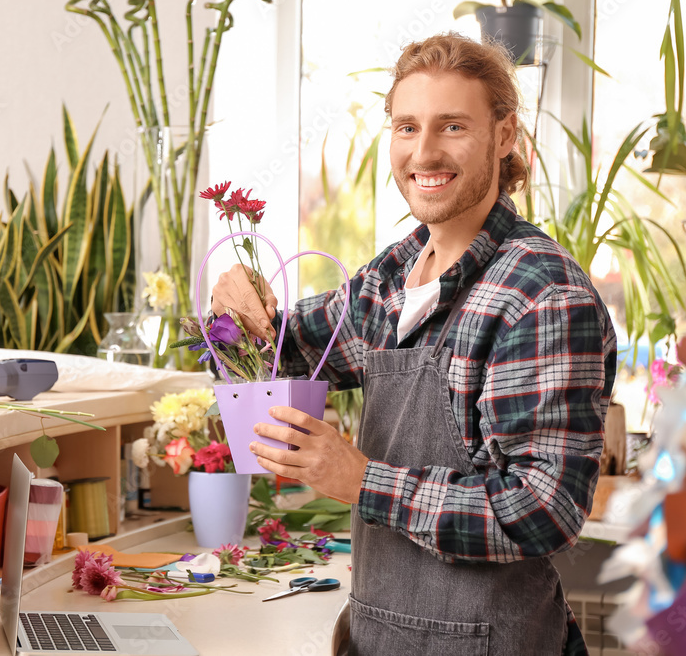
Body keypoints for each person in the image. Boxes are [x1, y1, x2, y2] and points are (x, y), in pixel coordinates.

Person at [211, 33, 617, 655]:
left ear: (504, 135)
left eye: (452, 126)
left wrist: (361, 480)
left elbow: (541, 511)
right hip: (376, 636)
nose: (423, 152)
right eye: (406, 127)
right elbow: (282, 352)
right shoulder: (394, 275)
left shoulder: (540, 295)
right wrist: (234, 305)